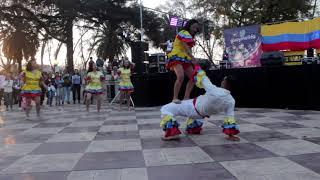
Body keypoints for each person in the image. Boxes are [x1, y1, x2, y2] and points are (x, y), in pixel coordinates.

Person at [160, 65, 240, 141]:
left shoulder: (214, 89)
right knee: (195, 107)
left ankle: (171, 133)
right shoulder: (231, 101)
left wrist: (196, 67)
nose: (222, 81)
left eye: (224, 80)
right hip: (200, 115)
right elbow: (230, 117)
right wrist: (231, 135)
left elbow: (202, 77)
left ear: (225, 83)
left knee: (165, 108)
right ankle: (194, 128)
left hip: (191, 108)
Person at [167, 19, 200, 104]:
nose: (195, 29)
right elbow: (185, 47)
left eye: (196, 28)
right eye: (193, 27)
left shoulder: (190, 36)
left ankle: (186, 97)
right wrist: (193, 58)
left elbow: (188, 49)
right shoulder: (183, 32)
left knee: (194, 77)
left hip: (185, 58)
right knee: (180, 76)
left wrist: (192, 59)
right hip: (177, 56)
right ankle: (175, 98)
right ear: (189, 25)